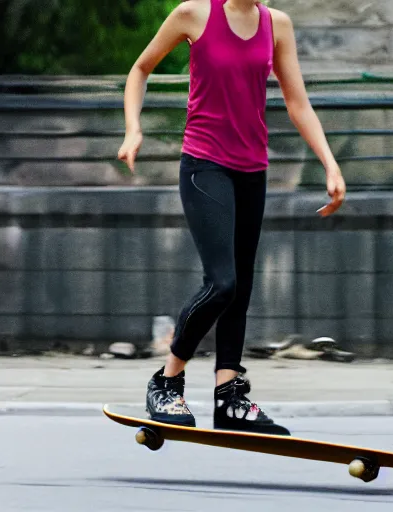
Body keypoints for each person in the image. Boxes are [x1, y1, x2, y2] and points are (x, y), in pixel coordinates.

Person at [118, 0, 346, 436]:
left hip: (252, 170)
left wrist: (330, 164)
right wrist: (133, 129)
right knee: (221, 283)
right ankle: (167, 381)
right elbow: (140, 69)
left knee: (240, 286)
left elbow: (298, 102)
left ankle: (229, 397)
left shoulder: (276, 24)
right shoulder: (194, 14)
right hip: (205, 166)